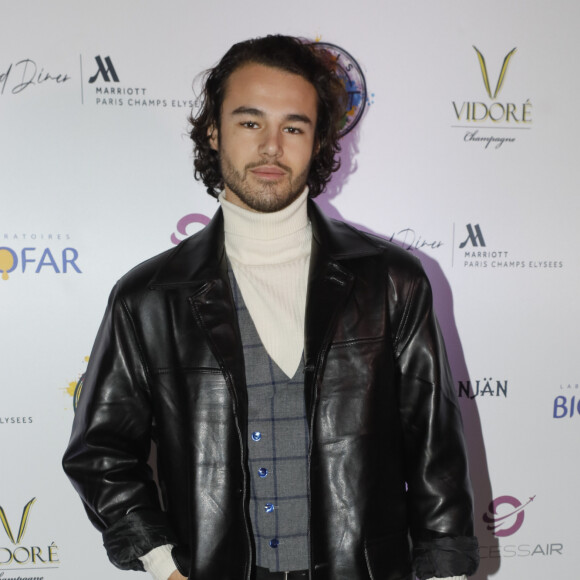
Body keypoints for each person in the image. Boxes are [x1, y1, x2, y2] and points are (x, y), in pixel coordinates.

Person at [63, 35, 479, 580]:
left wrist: (445, 571)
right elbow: (100, 450)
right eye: (250, 121)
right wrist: (163, 563)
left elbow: (435, 449)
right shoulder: (149, 297)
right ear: (214, 130)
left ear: (318, 140)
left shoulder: (390, 280)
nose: (272, 147)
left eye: (294, 126)